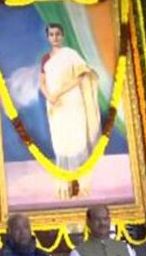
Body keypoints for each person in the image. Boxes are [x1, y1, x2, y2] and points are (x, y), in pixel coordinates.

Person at [39, 23, 101, 200]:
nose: (55, 37)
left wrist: (59, 92)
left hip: (72, 101)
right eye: (51, 34)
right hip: (55, 104)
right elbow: (42, 82)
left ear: (63, 36)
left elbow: (81, 76)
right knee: (61, 141)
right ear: (48, 37)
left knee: (76, 139)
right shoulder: (45, 59)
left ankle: (81, 185)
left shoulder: (71, 54)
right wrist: (49, 96)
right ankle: (65, 185)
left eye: (58, 34)